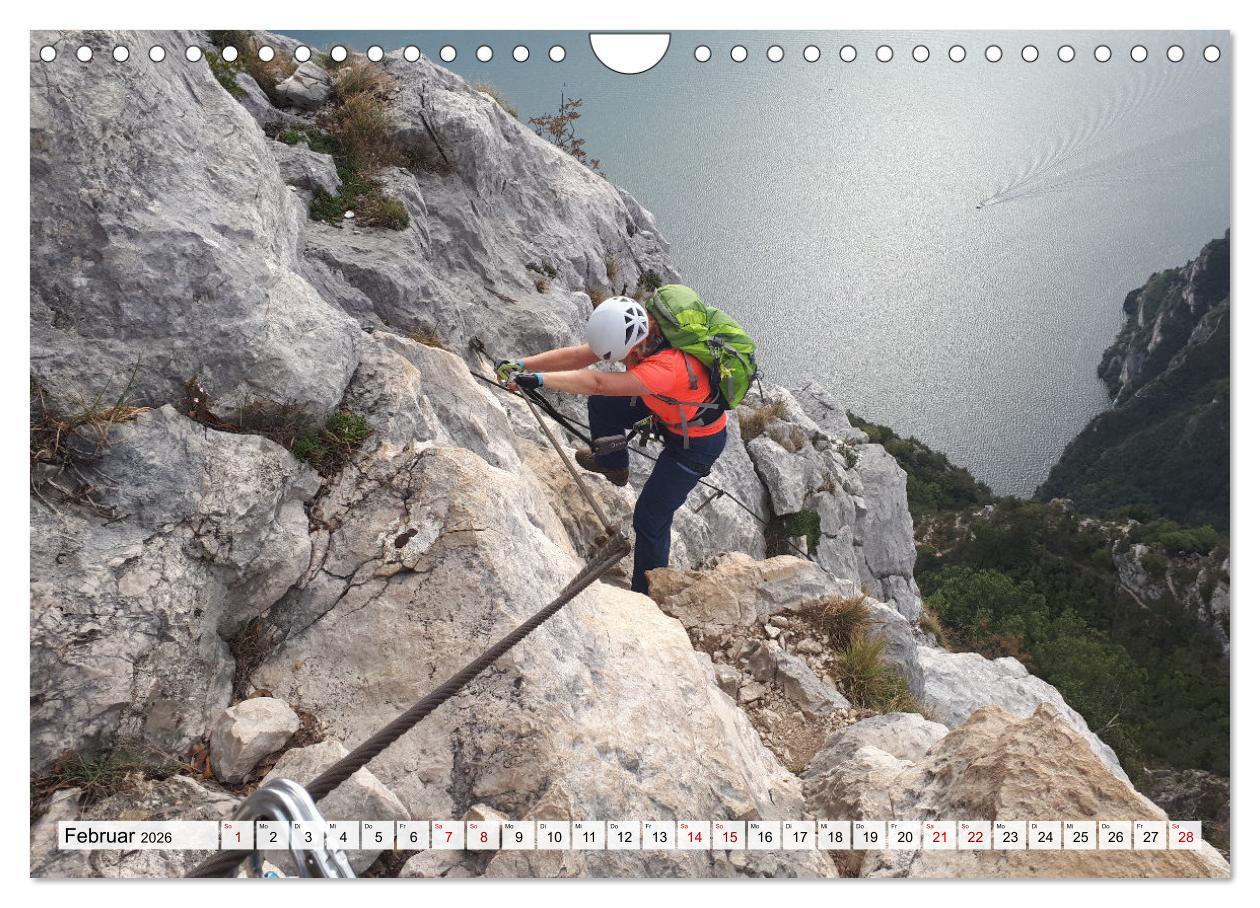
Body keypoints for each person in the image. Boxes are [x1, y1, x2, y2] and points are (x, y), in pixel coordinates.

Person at [497, 296, 727, 594]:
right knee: (603, 405)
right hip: (666, 410)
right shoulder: (641, 331)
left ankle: (648, 594)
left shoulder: (667, 367)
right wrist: (523, 364)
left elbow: (598, 382)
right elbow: (580, 357)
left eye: (618, 356)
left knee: (650, 516)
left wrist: (539, 379)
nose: (616, 360)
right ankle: (613, 464)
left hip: (696, 442)